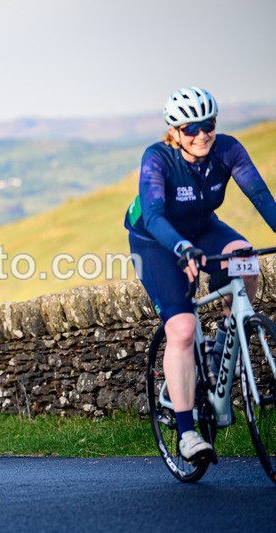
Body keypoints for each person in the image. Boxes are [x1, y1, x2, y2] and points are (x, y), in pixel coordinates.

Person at [125, 87, 276, 461]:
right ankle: (187, 431)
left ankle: (229, 330)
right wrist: (180, 249)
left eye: (207, 124)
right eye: (190, 128)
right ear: (174, 132)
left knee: (245, 258)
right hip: (156, 239)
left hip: (203, 227)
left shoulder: (227, 150)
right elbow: (156, 215)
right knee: (183, 328)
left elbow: (260, 196)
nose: (201, 134)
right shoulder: (157, 158)